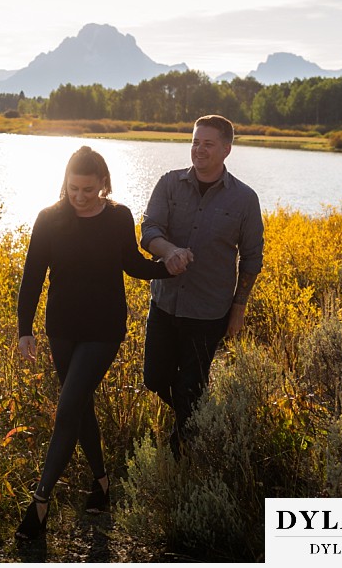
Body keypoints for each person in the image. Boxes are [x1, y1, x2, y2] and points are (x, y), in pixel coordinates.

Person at [14, 146, 172, 541]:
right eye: (73, 189)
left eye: (88, 189)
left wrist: (165, 268)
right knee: (80, 407)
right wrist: (24, 329)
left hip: (104, 328)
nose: (80, 197)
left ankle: (40, 502)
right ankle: (101, 484)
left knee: (67, 406)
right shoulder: (49, 219)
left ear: (103, 183)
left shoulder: (118, 217)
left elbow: (130, 263)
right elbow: (32, 275)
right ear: (65, 184)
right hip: (62, 327)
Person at [140, 114, 264, 457]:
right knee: (154, 379)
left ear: (226, 149)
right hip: (164, 304)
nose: (199, 149)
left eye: (208, 143)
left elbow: (252, 258)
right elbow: (149, 230)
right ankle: (199, 417)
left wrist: (238, 309)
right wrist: (169, 252)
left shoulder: (244, 199)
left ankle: (183, 454)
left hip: (208, 312)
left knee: (190, 387)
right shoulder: (169, 184)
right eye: (195, 141)